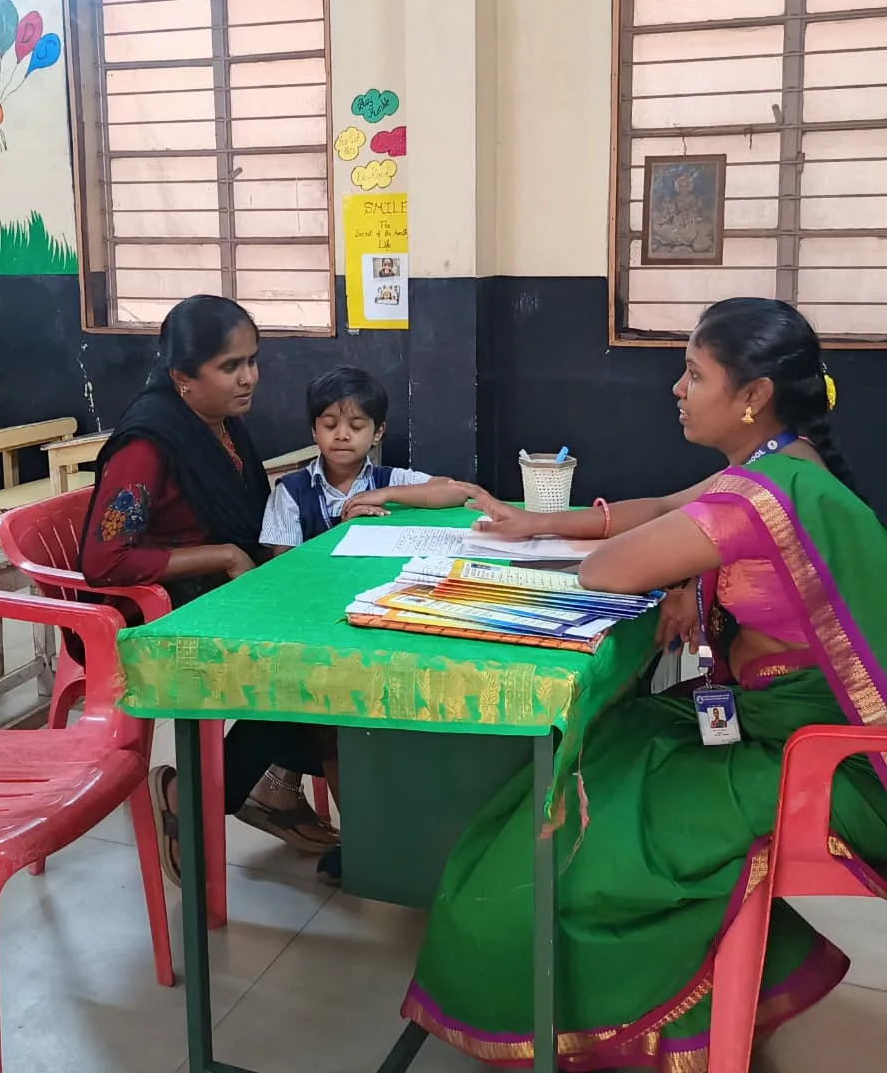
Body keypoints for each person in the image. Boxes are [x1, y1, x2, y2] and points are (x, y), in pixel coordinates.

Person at [403, 297, 887, 1069]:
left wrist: (683, 570)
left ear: (754, 394)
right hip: (788, 728)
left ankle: (591, 1010)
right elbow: (663, 509)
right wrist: (537, 525)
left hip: (814, 761)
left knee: (580, 829)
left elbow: (609, 569)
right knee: (607, 749)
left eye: (694, 374)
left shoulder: (759, 496)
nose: (677, 389)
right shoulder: (783, 465)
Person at [79, 295, 338, 886]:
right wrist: (221, 555)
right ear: (182, 378)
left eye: (252, 360)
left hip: (215, 591)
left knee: (328, 630)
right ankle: (188, 794)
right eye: (230, 366)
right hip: (152, 611)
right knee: (298, 667)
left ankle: (272, 786)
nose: (249, 377)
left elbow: (249, 520)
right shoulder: (148, 444)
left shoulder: (220, 426)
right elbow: (104, 560)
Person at [259, 365, 467, 553]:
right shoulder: (291, 492)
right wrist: (343, 531)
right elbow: (283, 565)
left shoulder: (388, 480)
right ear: (314, 431)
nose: (342, 435)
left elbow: (457, 492)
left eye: (356, 426)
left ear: (377, 433)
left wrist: (387, 494)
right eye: (330, 425)